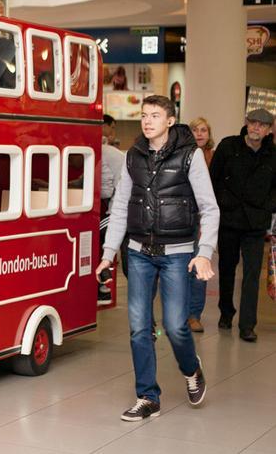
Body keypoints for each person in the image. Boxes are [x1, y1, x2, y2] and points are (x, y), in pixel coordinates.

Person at [96, 95, 218, 421]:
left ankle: (191, 370)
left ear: (170, 121)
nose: (147, 121)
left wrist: (204, 253)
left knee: (175, 326)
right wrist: (108, 253)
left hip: (177, 254)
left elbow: (210, 208)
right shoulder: (133, 155)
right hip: (139, 253)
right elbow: (120, 207)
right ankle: (147, 397)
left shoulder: (190, 155)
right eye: (144, 115)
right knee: (139, 328)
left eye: (154, 115)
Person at [209, 108, 276, 342]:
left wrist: (268, 206)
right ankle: (226, 313)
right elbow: (213, 178)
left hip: (256, 223)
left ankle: (247, 325)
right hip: (229, 219)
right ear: (247, 124)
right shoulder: (228, 146)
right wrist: (220, 203)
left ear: (269, 130)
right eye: (253, 122)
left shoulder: (273, 154)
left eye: (262, 125)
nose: (256, 127)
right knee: (226, 269)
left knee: (251, 274)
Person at [187, 117, 216, 332]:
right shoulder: (183, 155)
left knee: (200, 268)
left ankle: (194, 315)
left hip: (204, 218)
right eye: (195, 130)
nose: (199, 134)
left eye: (203, 130)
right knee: (180, 268)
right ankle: (180, 313)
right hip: (183, 218)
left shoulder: (215, 158)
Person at [98, 114, 126, 305]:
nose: (113, 131)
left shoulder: (103, 151)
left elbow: (106, 189)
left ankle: (103, 287)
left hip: (118, 207)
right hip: (121, 206)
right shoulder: (108, 151)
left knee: (100, 235)